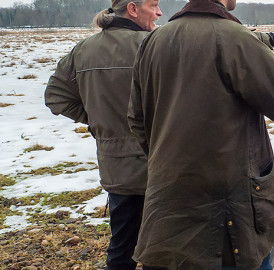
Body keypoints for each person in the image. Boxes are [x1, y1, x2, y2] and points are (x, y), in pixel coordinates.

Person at [127, 0, 274, 269]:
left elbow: (136, 119)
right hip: (228, 230)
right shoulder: (234, 37)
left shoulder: (153, 41)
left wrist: (172, 164)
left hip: (167, 221)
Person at [43, 0, 164, 269]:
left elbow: (55, 97)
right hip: (162, 166)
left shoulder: (84, 51)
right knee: (163, 251)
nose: (159, 12)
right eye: (154, 5)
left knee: (122, 248)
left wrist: (98, 120)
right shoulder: (156, 45)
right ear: (133, 9)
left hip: (117, 167)